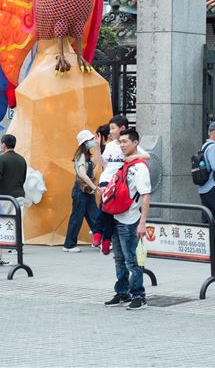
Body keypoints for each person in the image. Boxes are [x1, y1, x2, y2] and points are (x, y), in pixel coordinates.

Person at [103, 128, 152, 310]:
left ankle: (139, 295)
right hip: (116, 217)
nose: (122, 145)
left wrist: (142, 223)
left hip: (131, 220)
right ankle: (122, 292)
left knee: (133, 260)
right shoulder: (126, 163)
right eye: (120, 142)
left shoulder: (139, 168)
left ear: (135, 143)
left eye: (125, 142)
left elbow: (146, 195)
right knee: (119, 259)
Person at [93, 116, 150, 255]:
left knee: (109, 211)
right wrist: (96, 148)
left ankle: (105, 239)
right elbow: (104, 164)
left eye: (113, 128)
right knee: (105, 208)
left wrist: (131, 158)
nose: (110, 131)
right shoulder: (110, 146)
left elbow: (147, 155)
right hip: (107, 180)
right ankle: (100, 236)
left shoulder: (131, 148)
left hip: (118, 183)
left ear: (122, 129)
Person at [63, 130, 99, 252]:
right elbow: (83, 174)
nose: (92, 142)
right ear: (85, 142)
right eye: (90, 140)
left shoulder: (88, 156)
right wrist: (94, 187)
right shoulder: (81, 156)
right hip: (81, 191)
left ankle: (100, 240)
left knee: (95, 216)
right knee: (77, 218)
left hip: (87, 192)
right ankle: (69, 245)